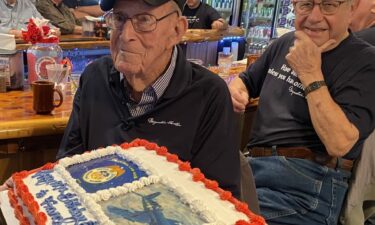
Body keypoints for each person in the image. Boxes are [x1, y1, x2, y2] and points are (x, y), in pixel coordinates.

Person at [0, 0, 240, 198]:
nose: (125, 35)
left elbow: (221, 202)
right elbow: (68, 166)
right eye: (119, 18)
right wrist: (32, 187)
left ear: (177, 30)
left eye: (144, 20)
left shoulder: (208, 95)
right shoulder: (95, 78)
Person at [228, 0, 375, 224]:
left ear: (351, 8)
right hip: (251, 168)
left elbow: (340, 143)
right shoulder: (286, 42)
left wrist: (309, 71)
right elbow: (246, 81)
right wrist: (236, 90)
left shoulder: (366, 61)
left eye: (328, 5)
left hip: (306, 186)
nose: (314, 17)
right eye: (306, 5)